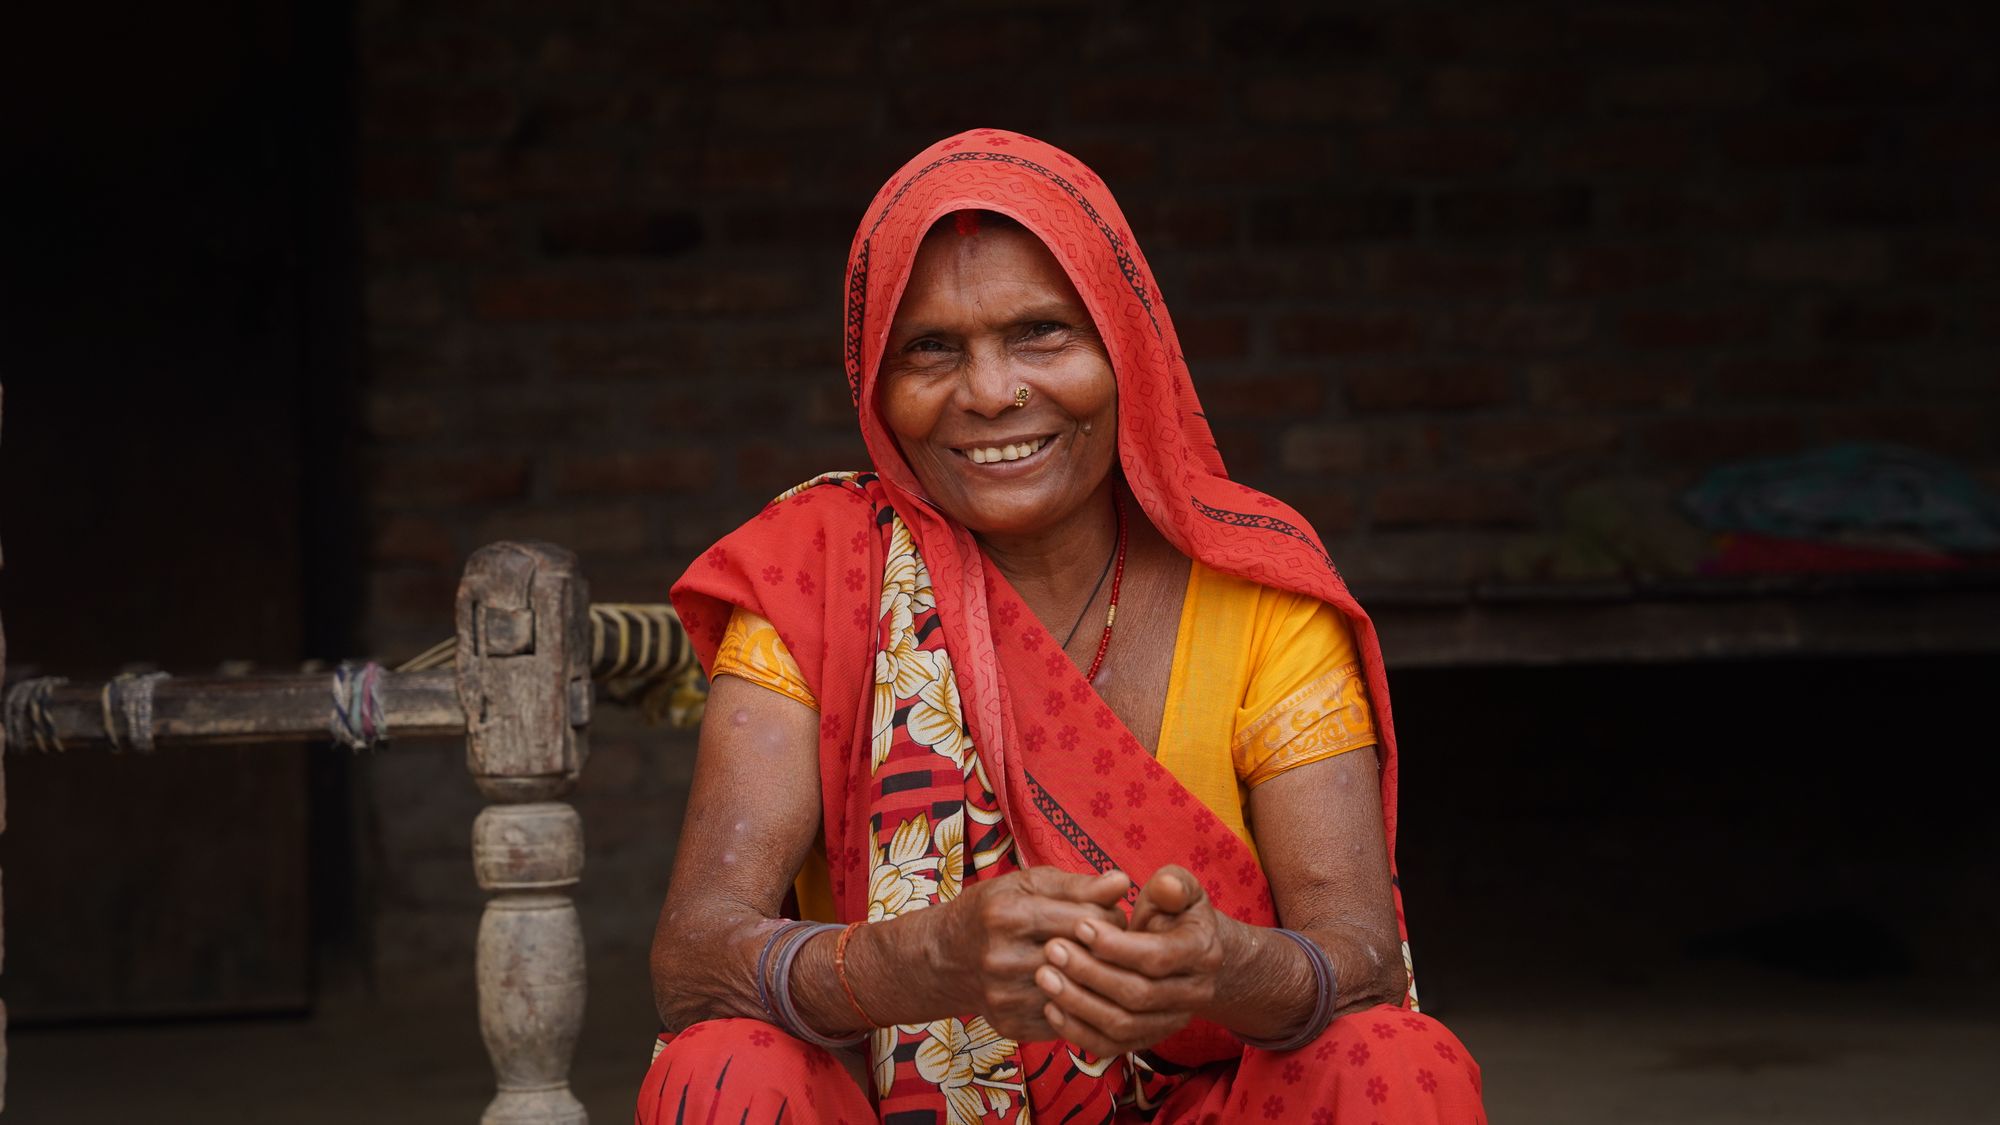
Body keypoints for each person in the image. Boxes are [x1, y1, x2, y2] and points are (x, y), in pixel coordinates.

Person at [642, 129, 1485, 1123]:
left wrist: (1220, 967)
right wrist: (914, 963)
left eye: (1041, 332)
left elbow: (1359, 960)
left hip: (1197, 1106)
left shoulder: (1258, 593)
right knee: (724, 1063)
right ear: (875, 380)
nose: (992, 393)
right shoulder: (814, 576)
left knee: (1389, 1058)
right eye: (930, 349)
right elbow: (694, 962)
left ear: (1123, 343)